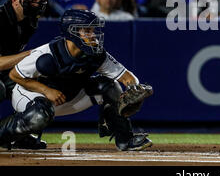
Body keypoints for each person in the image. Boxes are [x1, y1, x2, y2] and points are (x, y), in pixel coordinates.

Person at [0, 9, 153, 151]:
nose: (92, 35)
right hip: (30, 95)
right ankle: (13, 135)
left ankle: (125, 139)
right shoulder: (47, 54)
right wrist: (46, 90)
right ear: (72, 32)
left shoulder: (97, 53)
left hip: (66, 98)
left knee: (109, 86)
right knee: (40, 114)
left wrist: (134, 87)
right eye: (87, 30)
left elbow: (126, 76)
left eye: (92, 30)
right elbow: (15, 75)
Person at [0, 0, 49, 149]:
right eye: (32, 0)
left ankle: (18, 134)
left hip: (5, 70)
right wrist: (29, 55)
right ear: (14, 0)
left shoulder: (29, 21)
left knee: (32, 84)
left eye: (39, 1)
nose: (37, 4)